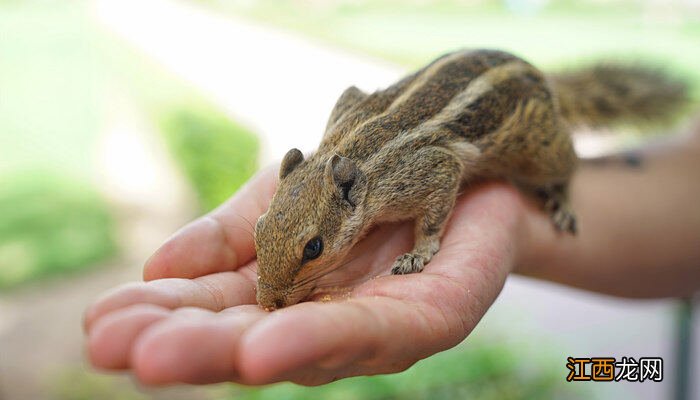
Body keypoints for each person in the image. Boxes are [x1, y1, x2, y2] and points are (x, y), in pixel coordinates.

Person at [83, 117, 700, 386]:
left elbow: (437, 169)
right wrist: (513, 219)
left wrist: (431, 239)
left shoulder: (398, 183)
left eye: (313, 249)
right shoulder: (341, 176)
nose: (273, 293)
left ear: (352, 196)